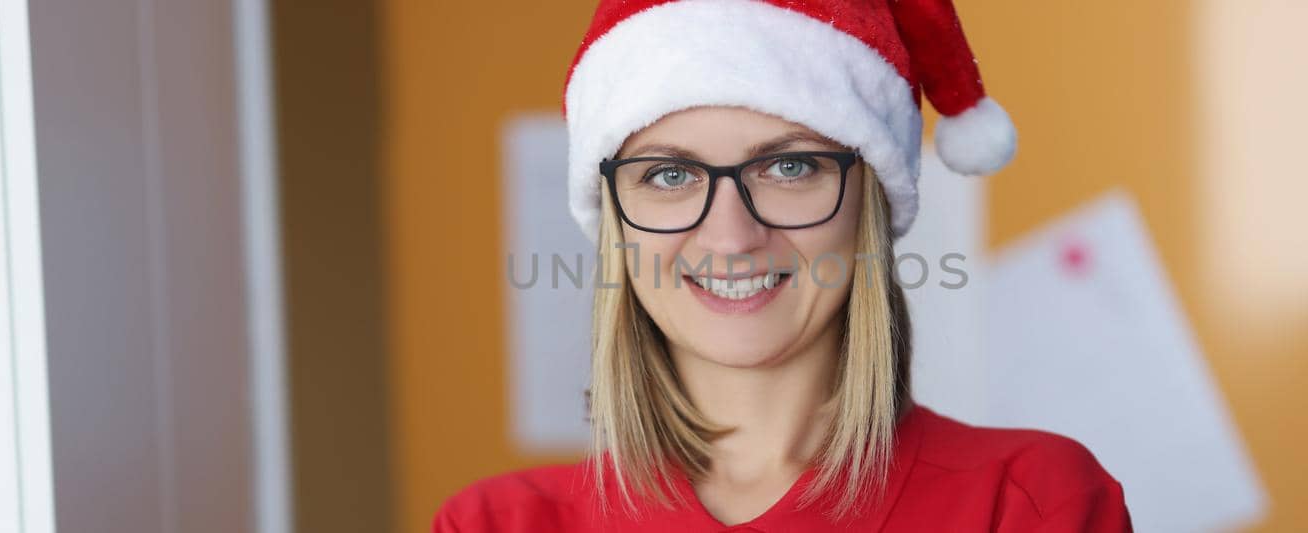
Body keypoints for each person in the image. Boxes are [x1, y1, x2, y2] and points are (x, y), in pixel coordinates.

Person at [435, 0, 1132, 531]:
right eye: (671, 175)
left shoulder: (1031, 502)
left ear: (870, 203)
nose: (732, 236)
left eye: (789, 165)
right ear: (616, 218)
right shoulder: (494, 522)